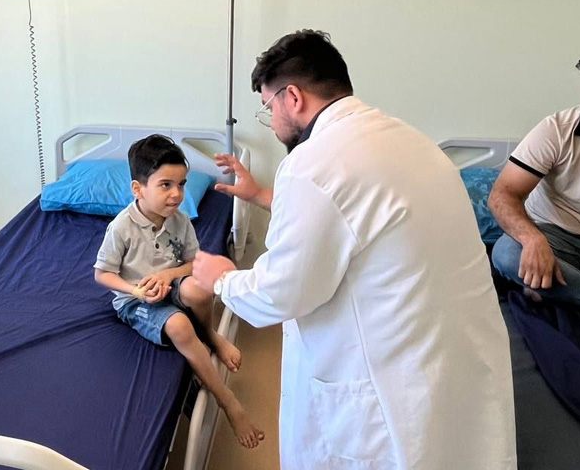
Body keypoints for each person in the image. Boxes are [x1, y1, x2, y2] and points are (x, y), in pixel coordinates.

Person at [191, 30, 516, 468]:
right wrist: (261, 196)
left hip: (387, 386)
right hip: (452, 361)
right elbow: (355, 217)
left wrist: (222, 279)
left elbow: (280, 293)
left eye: (268, 108)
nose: (272, 124)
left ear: (292, 97)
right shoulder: (406, 139)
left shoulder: (311, 164)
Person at [93, 134, 264, 449]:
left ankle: (209, 335)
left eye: (181, 184)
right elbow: (102, 274)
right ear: (138, 189)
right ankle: (229, 402)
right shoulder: (121, 228)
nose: (176, 194)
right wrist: (136, 290)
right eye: (165, 185)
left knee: (202, 287)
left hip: (171, 283)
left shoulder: (180, 220)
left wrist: (168, 274)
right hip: (136, 299)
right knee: (180, 325)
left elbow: (193, 264)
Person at [489, 45, 580, 308]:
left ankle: (562, 290)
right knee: (506, 254)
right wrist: (532, 239)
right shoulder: (557, 129)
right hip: (556, 237)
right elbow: (502, 195)